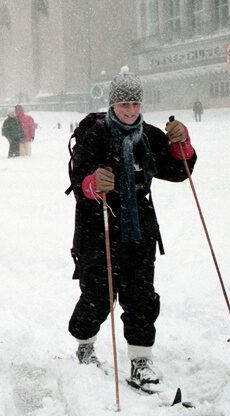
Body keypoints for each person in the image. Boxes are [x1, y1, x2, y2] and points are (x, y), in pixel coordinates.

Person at [66, 69, 196, 391]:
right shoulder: (95, 134)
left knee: (140, 295)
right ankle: (84, 346)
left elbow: (179, 172)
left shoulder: (150, 136)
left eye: (136, 103)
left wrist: (183, 146)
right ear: (113, 103)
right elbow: (77, 176)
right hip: (99, 226)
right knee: (99, 294)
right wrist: (93, 183)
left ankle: (140, 361)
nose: (130, 110)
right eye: (124, 103)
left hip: (139, 228)